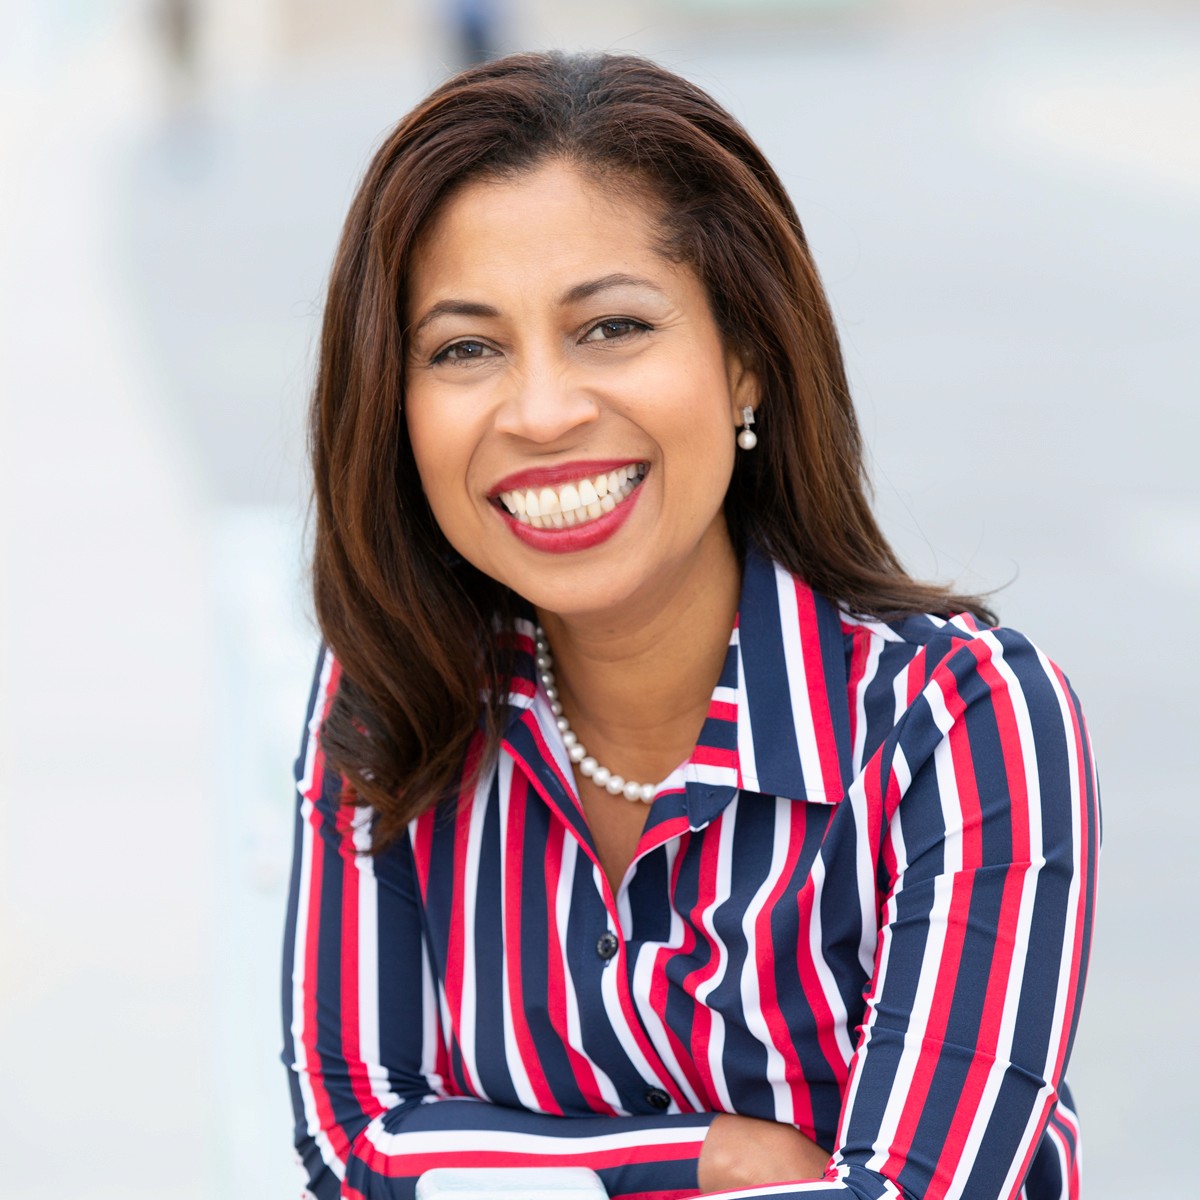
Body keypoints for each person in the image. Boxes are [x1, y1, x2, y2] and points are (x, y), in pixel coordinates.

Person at [281, 51, 1098, 1200]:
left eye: (611, 328)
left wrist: (503, 1168)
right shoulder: (394, 686)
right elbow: (351, 1144)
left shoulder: (954, 727)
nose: (545, 412)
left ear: (748, 358)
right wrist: (704, 1161)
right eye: (466, 349)